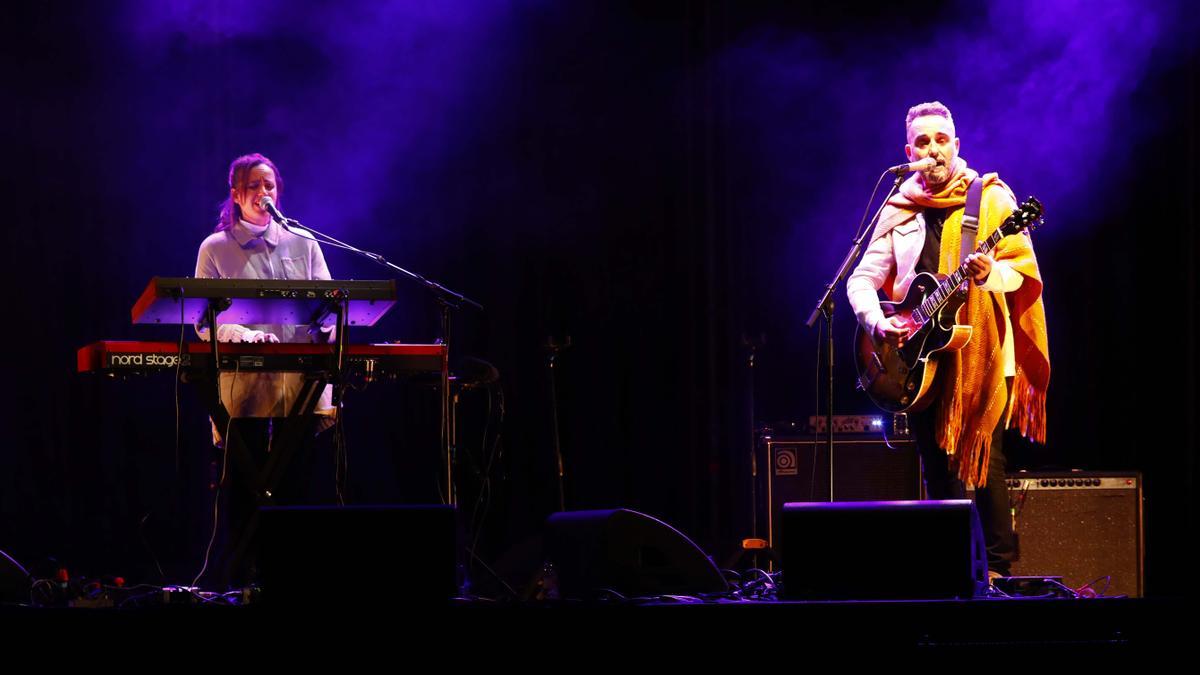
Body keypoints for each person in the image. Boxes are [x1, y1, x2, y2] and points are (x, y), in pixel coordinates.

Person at [846, 102, 1050, 580]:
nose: (932, 149)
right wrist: (878, 323)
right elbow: (862, 279)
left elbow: (1023, 276)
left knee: (987, 458)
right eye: (923, 142)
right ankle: (951, 567)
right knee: (935, 461)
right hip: (917, 358)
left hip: (981, 349)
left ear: (957, 145)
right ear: (909, 151)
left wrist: (991, 272)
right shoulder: (897, 205)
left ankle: (998, 570)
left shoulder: (994, 200)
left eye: (941, 140)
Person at [194, 153, 336, 587]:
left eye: (269, 185)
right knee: (244, 480)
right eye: (253, 186)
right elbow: (204, 322)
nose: (263, 193)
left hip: (300, 385)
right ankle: (242, 580)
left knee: (298, 481)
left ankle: (294, 579)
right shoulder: (215, 248)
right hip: (245, 384)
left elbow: (331, 308)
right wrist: (246, 336)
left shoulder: (304, 242)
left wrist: (329, 331)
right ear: (236, 195)